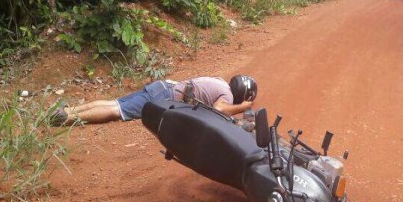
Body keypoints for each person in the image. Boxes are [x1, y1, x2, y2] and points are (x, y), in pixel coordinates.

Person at [50, 75, 257, 126]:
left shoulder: (221, 82)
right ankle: (67, 119)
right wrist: (242, 107)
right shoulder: (227, 97)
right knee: (116, 111)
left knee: (115, 103)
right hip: (165, 96)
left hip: (163, 86)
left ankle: (69, 110)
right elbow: (219, 109)